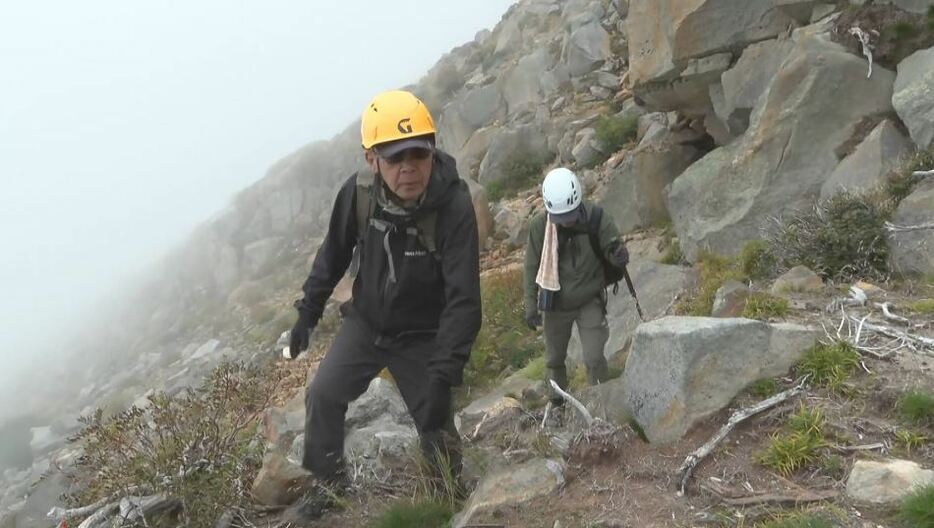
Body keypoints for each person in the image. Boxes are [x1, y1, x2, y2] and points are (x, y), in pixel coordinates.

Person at [286, 90, 482, 491]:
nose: (408, 168)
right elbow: (332, 256)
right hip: (366, 324)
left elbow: (464, 300)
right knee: (323, 396)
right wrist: (308, 314)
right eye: (394, 157)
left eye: (419, 154)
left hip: (423, 335)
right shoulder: (358, 194)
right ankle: (328, 489)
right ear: (371, 159)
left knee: (435, 420)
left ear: (432, 151)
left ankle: (445, 499)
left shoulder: (453, 206)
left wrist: (444, 373)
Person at [523, 167, 628, 404]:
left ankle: (600, 403)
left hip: (589, 299)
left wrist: (618, 255)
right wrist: (530, 305)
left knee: (593, 356)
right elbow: (530, 267)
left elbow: (612, 248)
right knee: (554, 359)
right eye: (561, 218)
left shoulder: (596, 218)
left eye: (570, 215)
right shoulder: (540, 228)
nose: (566, 221)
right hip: (555, 304)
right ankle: (558, 404)